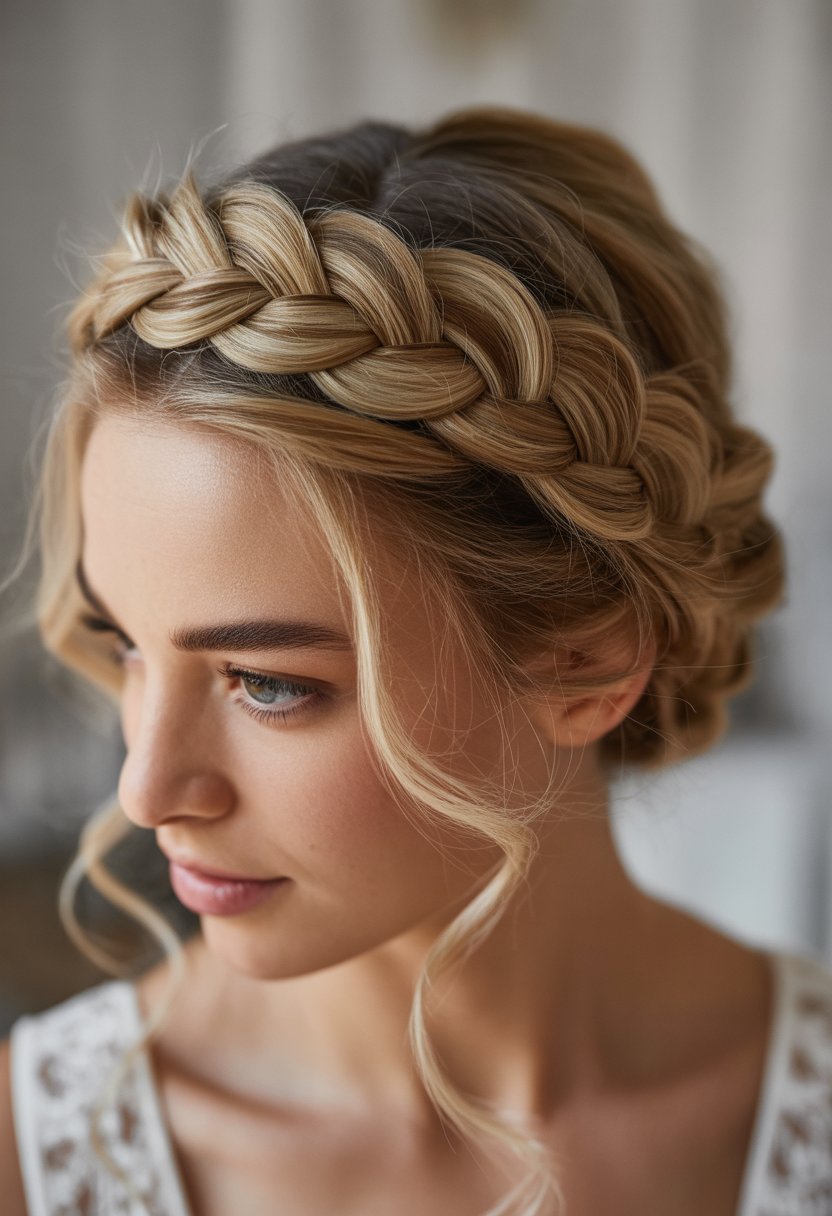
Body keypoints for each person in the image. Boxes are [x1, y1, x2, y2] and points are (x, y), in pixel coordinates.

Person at [1, 104, 830, 1216]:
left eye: (268, 683)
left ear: (586, 659)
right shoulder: (31, 1158)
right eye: (126, 644)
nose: (145, 790)